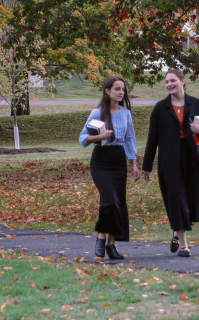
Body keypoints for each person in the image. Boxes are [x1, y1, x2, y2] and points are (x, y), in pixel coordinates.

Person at [141, 68, 199, 257]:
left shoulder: (197, 104)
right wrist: (147, 166)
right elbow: (153, 139)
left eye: (172, 80)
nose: (169, 84)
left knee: (189, 198)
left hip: (191, 157)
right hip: (169, 159)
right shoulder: (160, 107)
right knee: (176, 199)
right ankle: (183, 245)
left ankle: (177, 232)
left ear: (182, 81)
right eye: (167, 82)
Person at [80, 76, 139, 260]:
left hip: (118, 161)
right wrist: (101, 136)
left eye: (123, 89)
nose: (121, 92)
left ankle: (111, 245)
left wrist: (134, 163)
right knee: (109, 201)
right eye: (117, 89)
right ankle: (101, 237)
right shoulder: (97, 113)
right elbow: (83, 138)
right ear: (107, 91)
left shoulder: (126, 113)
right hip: (101, 160)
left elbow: (130, 139)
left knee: (118, 203)